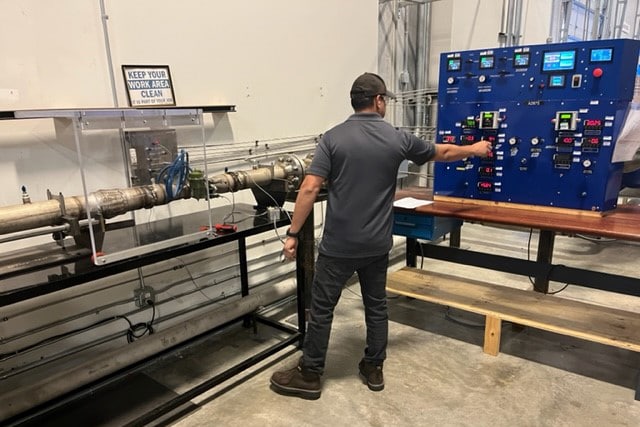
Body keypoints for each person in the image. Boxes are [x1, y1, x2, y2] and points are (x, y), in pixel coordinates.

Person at [270, 72, 492, 400]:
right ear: (378, 101)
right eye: (385, 99)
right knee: (376, 307)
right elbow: (442, 153)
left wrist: (292, 233)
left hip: (338, 247)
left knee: (322, 309)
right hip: (376, 244)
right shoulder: (396, 138)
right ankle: (373, 367)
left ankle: (311, 373)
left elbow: (309, 187)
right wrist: (474, 148)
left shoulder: (331, 139)